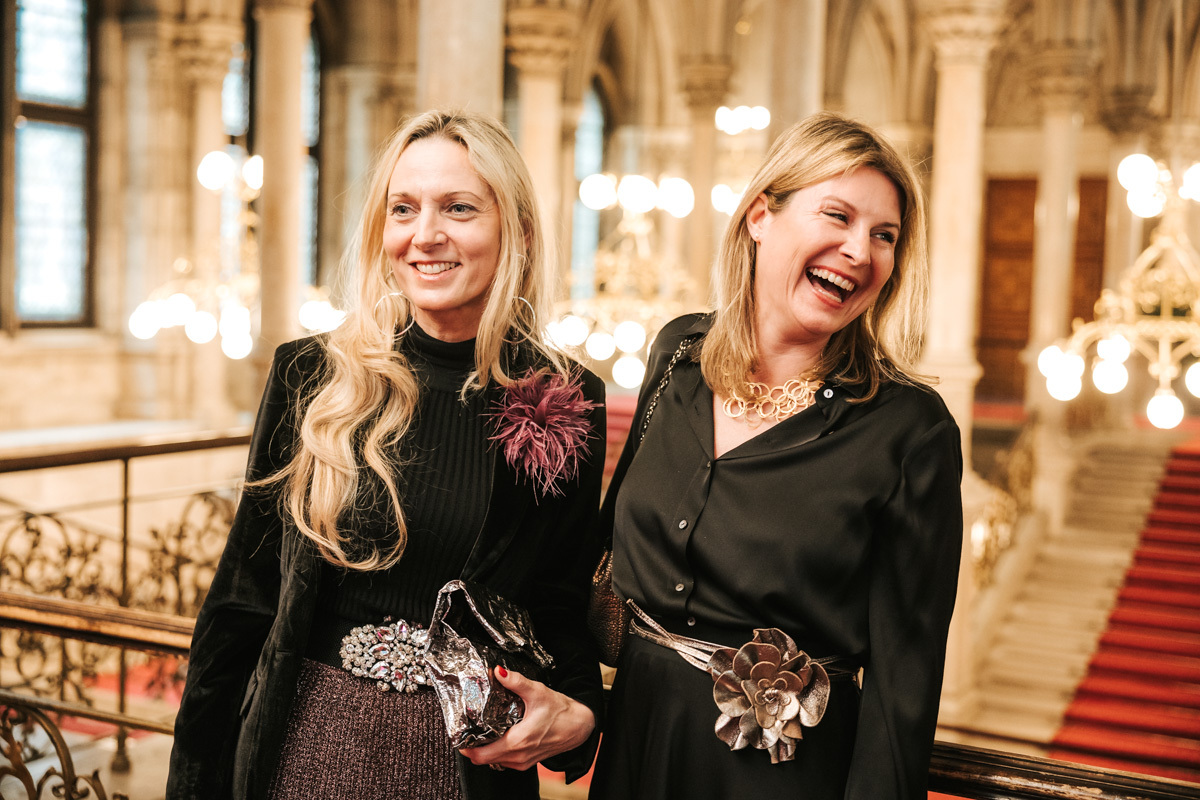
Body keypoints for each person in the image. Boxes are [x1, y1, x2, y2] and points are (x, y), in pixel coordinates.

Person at [167, 110, 606, 800]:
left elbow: (559, 601)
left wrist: (581, 713)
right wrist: (194, 785)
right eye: (403, 208)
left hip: (466, 766)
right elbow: (241, 602)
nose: (424, 234)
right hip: (307, 748)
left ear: (516, 230)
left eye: (458, 208)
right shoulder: (312, 374)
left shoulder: (565, 396)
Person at [589, 112, 963, 800]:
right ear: (760, 216)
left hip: (783, 775)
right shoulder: (679, 353)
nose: (861, 250)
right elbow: (603, 546)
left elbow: (903, 685)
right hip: (638, 744)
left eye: (885, 235)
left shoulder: (910, 429)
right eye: (838, 216)